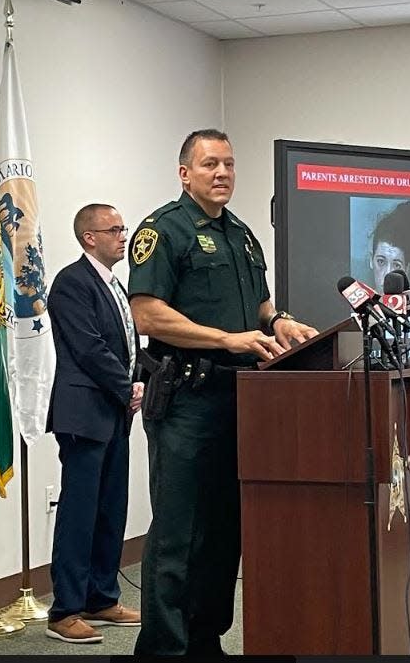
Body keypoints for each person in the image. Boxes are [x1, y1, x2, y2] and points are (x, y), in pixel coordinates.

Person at [128, 129, 317, 655]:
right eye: (210, 164)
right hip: (186, 397)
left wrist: (280, 322)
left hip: (240, 399)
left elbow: (257, 305)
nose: (223, 173)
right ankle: (165, 647)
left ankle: (205, 640)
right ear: (185, 173)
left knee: (222, 531)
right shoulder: (164, 231)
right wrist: (226, 339)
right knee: (177, 533)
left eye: (230, 164)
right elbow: (147, 312)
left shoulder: (242, 234)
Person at [44, 203, 144, 644]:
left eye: (123, 228)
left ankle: (101, 597)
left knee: (111, 508)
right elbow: (89, 349)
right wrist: (127, 387)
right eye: (115, 229)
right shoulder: (71, 283)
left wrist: (138, 382)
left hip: (114, 413)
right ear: (90, 237)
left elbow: (127, 343)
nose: (124, 236)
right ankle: (64, 609)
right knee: (80, 513)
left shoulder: (115, 285)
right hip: (84, 414)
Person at [367, 200, 410, 333]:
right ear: (371, 260)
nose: (387, 274)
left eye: (396, 265)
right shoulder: (357, 313)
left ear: (407, 269)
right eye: (381, 261)